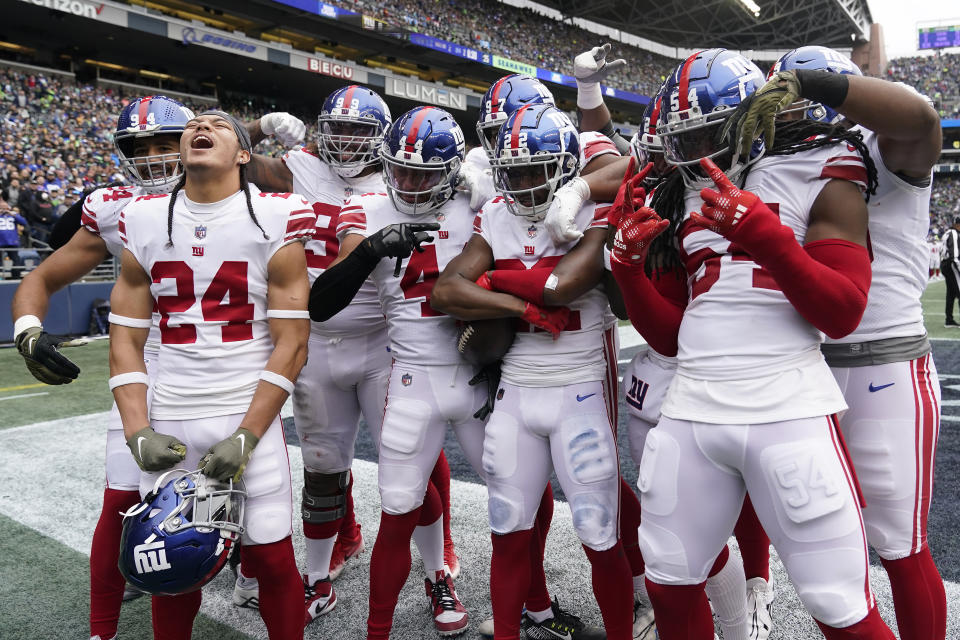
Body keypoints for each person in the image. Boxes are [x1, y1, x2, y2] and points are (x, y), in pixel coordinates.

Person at [613, 48, 895, 640]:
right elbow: (671, 337)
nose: (699, 152)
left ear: (753, 119)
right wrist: (630, 271)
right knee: (667, 579)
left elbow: (842, 312)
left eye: (713, 132)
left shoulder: (822, 166)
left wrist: (768, 239)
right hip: (689, 407)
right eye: (686, 139)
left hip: (785, 404)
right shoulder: (683, 191)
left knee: (838, 603)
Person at [735, 45, 948, 640]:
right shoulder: (768, 162)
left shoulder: (885, 151)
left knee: (899, 543)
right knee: (828, 549)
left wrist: (805, 81)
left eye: (806, 100)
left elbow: (923, 120)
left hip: (884, 365)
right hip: (805, 369)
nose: (793, 114)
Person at [241, 87, 462, 623]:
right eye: (337, 129)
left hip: (386, 341)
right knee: (321, 467)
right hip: (314, 341)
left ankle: (437, 568)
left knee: (409, 467)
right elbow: (229, 158)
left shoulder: (401, 178)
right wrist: (260, 125)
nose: (346, 141)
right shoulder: (300, 167)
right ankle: (318, 576)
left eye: (361, 131)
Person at [108, 110, 313, 640]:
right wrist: (136, 432)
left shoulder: (277, 214)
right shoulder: (145, 218)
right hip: (172, 415)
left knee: (270, 560)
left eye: (221, 125)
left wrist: (248, 434)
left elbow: (292, 342)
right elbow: (126, 339)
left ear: (244, 154)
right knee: (167, 567)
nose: (202, 126)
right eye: (194, 122)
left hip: (245, 412)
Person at [431, 103, 633, 640]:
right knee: (507, 530)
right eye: (513, 169)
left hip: (581, 390)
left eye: (534, 168)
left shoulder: (593, 211)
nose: (521, 181)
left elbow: (562, 286)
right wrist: (522, 307)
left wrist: (495, 282)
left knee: (598, 533)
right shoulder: (495, 212)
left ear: (567, 168)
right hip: (517, 393)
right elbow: (446, 290)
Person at [10, 95, 193, 640]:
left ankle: (250, 572)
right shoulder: (114, 206)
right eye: (143, 148)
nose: (157, 158)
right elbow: (40, 278)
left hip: (225, 363)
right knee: (123, 502)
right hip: (143, 357)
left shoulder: (243, 199)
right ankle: (100, 631)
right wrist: (26, 330)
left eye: (167, 145)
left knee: (227, 502)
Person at [308, 106, 482, 639]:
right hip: (408, 371)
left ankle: (525, 603)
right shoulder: (365, 205)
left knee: (519, 499)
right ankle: (384, 615)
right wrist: (370, 253)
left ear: (452, 170)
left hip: (477, 368)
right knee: (398, 496)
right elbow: (322, 301)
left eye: (423, 173)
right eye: (399, 170)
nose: (407, 183)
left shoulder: (481, 196)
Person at [941, 218, 960, 327]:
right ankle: (949, 319)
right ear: (957, 225)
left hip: (946, 264)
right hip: (952, 264)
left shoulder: (948, 232)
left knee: (951, 293)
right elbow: (955, 255)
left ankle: (949, 319)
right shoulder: (953, 233)